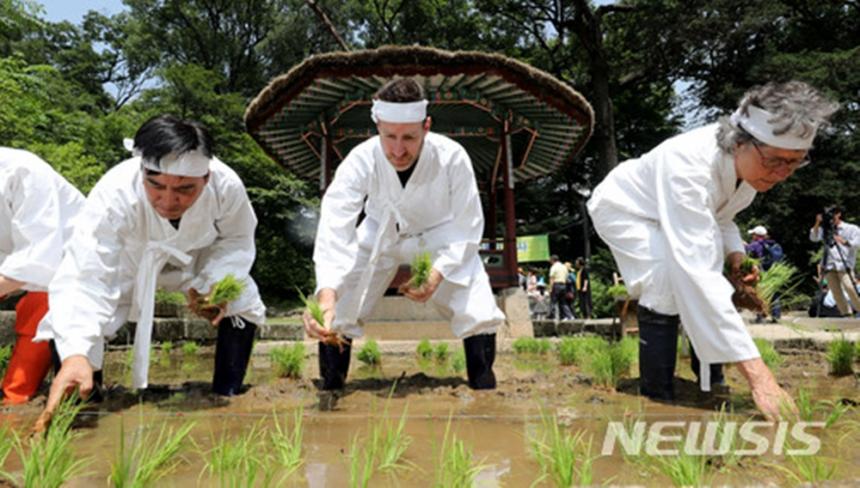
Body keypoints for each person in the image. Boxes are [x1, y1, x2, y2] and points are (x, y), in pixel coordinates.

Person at [587, 81, 838, 418]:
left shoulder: (749, 177)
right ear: (740, 143)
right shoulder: (688, 167)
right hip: (626, 210)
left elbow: (721, 219)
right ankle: (657, 395)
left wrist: (736, 257)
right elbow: (698, 272)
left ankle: (711, 383)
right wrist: (761, 379)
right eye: (775, 161)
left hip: (669, 213)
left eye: (794, 163)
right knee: (665, 282)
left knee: (702, 284)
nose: (782, 174)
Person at [36, 115, 267, 417]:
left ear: (206, 179)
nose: (168, 200)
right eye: (155, 185)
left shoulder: (227, 187)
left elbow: (236, 240)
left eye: (184, 189)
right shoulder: (115, 191)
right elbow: (87, 274)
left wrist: (213, 284)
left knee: (242, 299)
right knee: (76, 321)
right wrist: (76, 352)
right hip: (129, 262)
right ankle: (85, 401)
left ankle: (228, 393)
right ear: (142, 170)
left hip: (195, 259)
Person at [303, 78, 505, 390]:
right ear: (377, 126)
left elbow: (468, 226)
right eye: (389, 136)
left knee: (476, 302)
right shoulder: (360, 159)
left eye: (409, 137)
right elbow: (335, 225)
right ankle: (332, 384)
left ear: (426, 126)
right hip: (378, 234)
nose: (398, 150)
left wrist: (437, 274)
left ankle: (483, 385)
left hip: (438, 235)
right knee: (341, 304)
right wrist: (326, 294)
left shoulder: (452, 157)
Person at [0, 148, 84, 404]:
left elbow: (39, 258)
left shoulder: (23, 171)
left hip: (73, 265)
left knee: (76, 401)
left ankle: (15, 398)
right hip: (25, 267)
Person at [809, 206, 860, 316]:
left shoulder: (851, 228)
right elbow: (813, 237)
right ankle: (846, 314)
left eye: (832, 215)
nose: (830, 218)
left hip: (844, 264)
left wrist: (843, 241)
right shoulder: (825, 229)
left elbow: (857, 243)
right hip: (829, 264)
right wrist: (818, 223)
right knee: (836, 292)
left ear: (838, 214)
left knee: (850, 287)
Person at [745, 225, 784, 322]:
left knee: (760, 294)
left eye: (753, 234)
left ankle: (760, 316)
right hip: (774, 272)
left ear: (757, 235)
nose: (752, 237)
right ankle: (776, 316)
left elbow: (745, 252)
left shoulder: (755, 244)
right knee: (774, 294)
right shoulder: (772, 244)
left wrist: (744, 245)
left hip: (762, 272)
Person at [548, 255, 573, 320]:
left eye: (550, 260)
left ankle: (551, 315)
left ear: (553, 260)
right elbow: (567, 277)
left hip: (556, 285)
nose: (550, 261)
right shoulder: (563, 267)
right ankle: (569, 316)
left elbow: (552, 278)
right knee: (563, 302)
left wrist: (550, 288)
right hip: (563, 285)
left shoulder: (554, 267)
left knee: (553, 301)